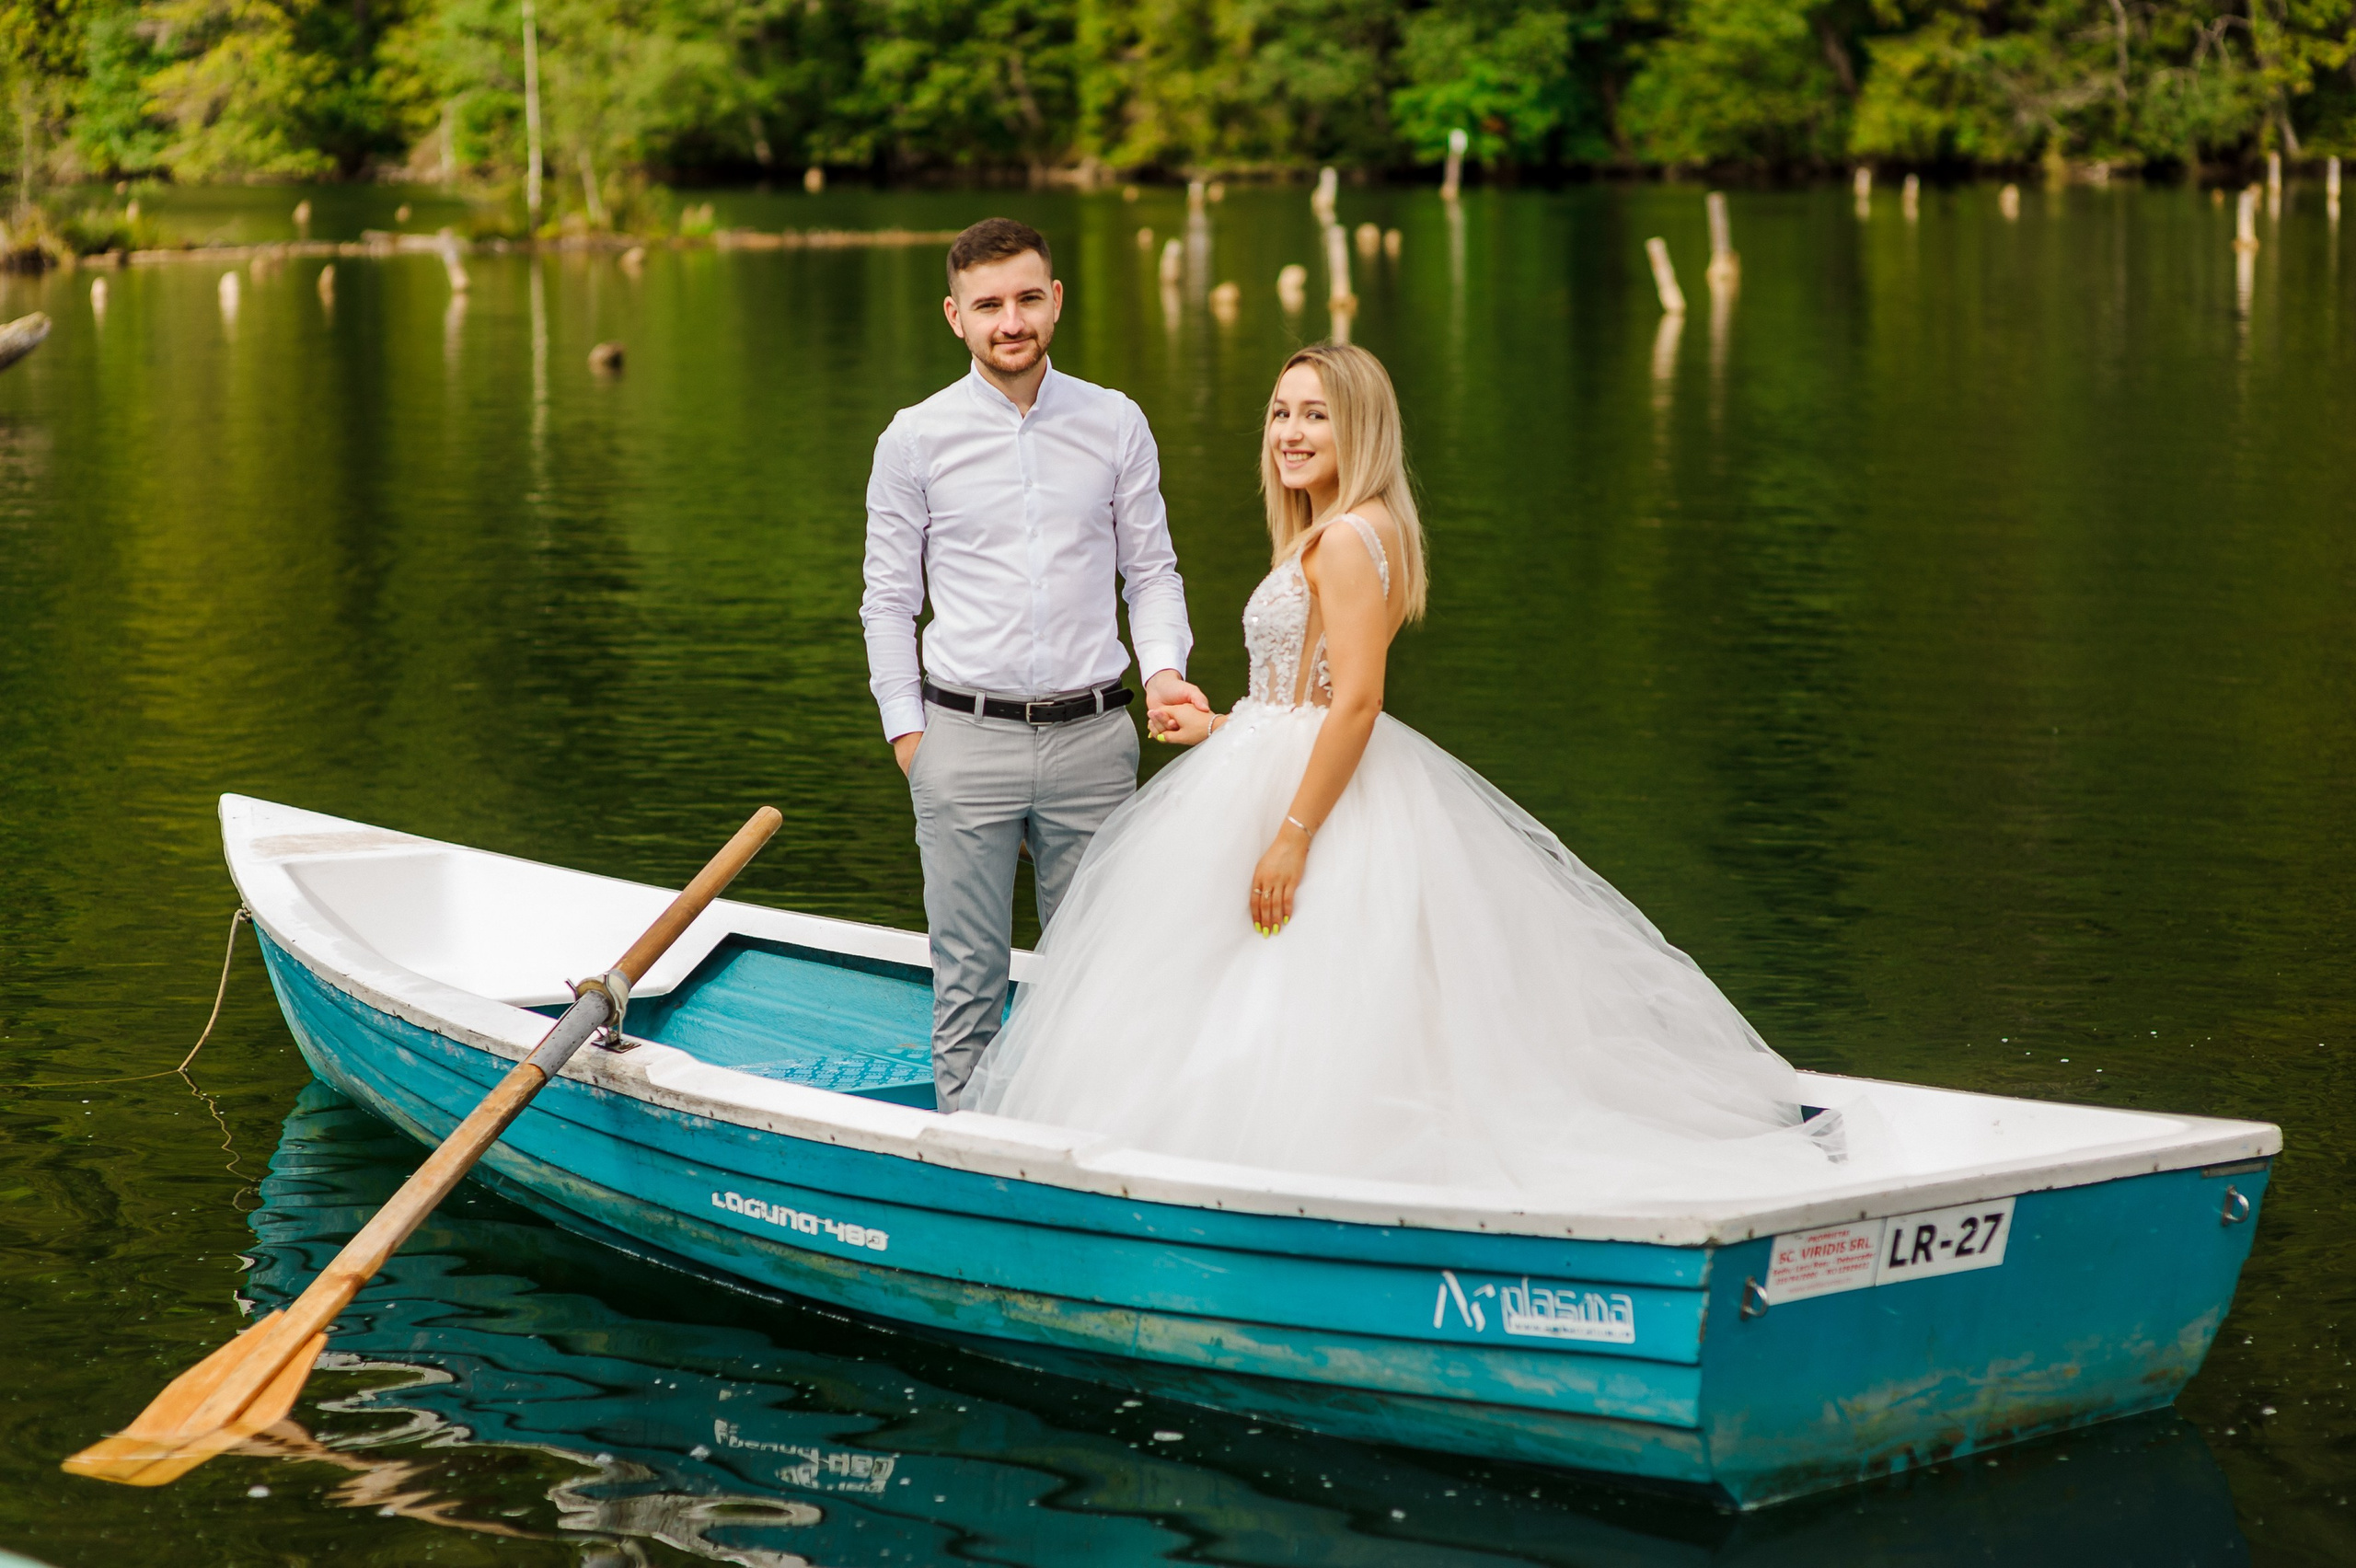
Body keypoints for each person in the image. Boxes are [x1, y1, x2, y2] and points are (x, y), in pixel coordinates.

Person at [967, 343, 1849, 1205]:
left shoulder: (1347, 538)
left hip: (1310, 805)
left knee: (1283, 992)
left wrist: (1291, 837)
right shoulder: (1356, 526)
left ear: (1362, 429)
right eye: (1282, 413)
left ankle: (1278, 1182)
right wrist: (1216, 726)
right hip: (1290, 769)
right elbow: (1305, 709)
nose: (1291, 432)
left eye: (1317, 415)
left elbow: (1355, 705)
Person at [861, 217, 1207, 1111]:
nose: (1008, 321)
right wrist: (909, 736)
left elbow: (1152, 571)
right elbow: (887, 601)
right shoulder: (914, 439)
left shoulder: (1114, 421)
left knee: (1103, 971)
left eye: (1025, 299)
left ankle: (1095, 1155)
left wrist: (1165, 669)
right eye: (988, 306)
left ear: (1054, 301)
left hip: (1094, 738)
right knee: (968, 979)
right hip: (961, 740)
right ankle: (971, 1163)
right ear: (955, 316)